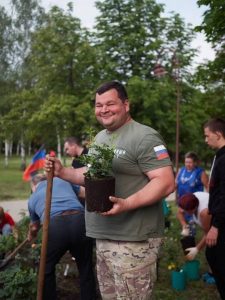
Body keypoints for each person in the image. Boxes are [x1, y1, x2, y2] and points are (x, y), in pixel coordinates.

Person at [45, 80, 175, 298]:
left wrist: (126, 204)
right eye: (98, 105)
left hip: (133, 241)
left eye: (110, 104)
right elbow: (90, 174)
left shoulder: (144, 136)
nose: (103, 109)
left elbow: (165, 181)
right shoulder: (99, 138)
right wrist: (63, 171)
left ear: (126, 104)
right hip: (104, 238)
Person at [27, 174, 96, 300]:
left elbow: (34, 227)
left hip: (55, 226)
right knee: (85, 267)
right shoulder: (63, 181)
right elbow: (86, 193)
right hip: (80, 221)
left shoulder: (32, 198)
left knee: (46, 269)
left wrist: (30, 236)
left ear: (34, 186)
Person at [204, 118, 225, 299]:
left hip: (222, 221)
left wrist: (216, 226)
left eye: (207, 135)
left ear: (218, 135)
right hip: (219, 217)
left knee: (215, 256)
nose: (205, 139)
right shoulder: (220, 156)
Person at [177, 192, 215, 284]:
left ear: (193, 209)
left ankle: (215, 276)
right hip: (210, 222)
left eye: (187, 211)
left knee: (214, 250)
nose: (185, 212)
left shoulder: (204, 213)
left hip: (219, 224)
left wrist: (197, 249)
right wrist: (184, 225)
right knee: (209, 251)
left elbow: (208, 234)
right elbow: (179, 213)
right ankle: (211, 273)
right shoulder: (188, 200)